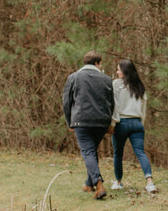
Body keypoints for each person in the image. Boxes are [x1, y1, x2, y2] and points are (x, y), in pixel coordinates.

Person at [62, 51, 115, 200]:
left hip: (81, 121)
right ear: (98, 63)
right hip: (101, 122)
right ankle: (88, 184)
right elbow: (111, 103)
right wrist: (108, 121)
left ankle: (99, 185)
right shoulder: (106, 79)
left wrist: (69, 121)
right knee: (91, 152)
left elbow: (66, 102)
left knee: (88, 153)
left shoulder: (74, 77)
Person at [109, 59, 157, 193]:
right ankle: (150, 182)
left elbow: (114, 106)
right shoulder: (139, 86)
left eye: (118, 69)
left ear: (124, 71)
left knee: (118, 154)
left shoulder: (116, 85)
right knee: (141, 153)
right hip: (137, 123)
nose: (117, 71)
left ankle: (118, 182)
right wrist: (141, 124)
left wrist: (113, 123)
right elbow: (143, 107)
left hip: (121, 122)